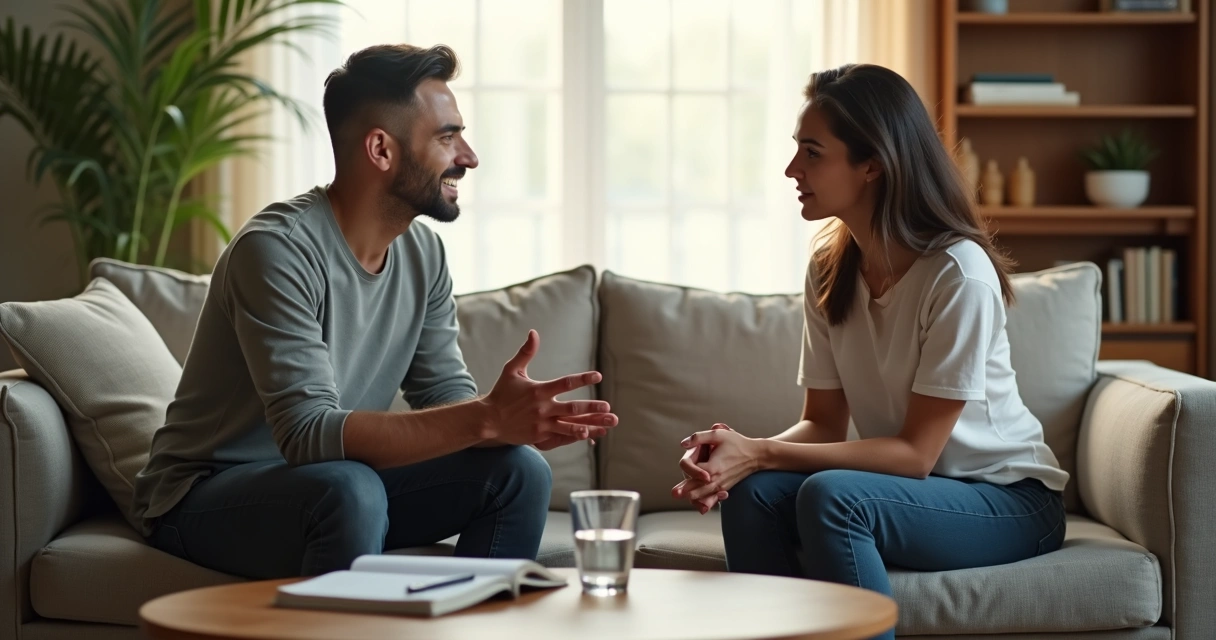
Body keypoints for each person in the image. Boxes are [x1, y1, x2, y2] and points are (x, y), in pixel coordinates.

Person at [133, 44, 618, 579]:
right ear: (381, 149)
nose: (469, 156)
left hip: (329, 486)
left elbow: (444, 396)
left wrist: (503, 427)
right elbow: (307, 434)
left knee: (519, 471)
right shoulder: (276, 249)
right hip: (206, 496)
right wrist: (484, 417)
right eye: (447, 136)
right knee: (350, 488)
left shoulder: (423, 253)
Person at [671, 64, 1068, 639]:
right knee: (752, 494)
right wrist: (735, 458)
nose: (792, 170)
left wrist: (759, 451)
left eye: (812, 153)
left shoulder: (958, 274)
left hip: (1007, 500)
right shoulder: (831, 268)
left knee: (835, 498)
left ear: (873, 165)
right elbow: (822, 423)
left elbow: (915, 455)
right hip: (918, 493)